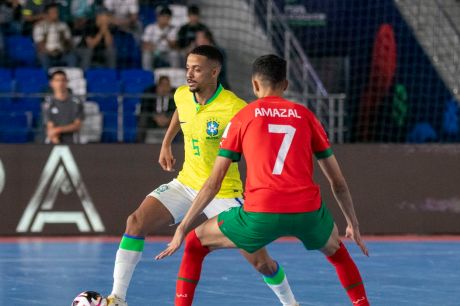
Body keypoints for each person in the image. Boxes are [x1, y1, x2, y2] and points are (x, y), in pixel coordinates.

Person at [156, 54, 371, 306]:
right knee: (338, 253)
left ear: (255, 85)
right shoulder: (305, 116)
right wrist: (352, 223)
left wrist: (183, 227)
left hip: (260, 213)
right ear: (286, 85)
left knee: (194, 244)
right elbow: (338, 182)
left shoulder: (243, 117)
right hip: (307, 213)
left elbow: (214, 183)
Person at [106, 46, 298, 306]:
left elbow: (260, 145)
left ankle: (290, 303)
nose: (189, 74)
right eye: (187, 68)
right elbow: (180, 111)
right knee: (135, 222)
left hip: (223, 192)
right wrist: (166, 142)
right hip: (186, 183)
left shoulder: (234, 108)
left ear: (214, 72)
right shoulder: (183, 95)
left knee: (260, 261)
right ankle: (117, 298)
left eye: (196, 69)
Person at [43, 70, 84, 144]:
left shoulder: (76, 102)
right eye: (57, 80)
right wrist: (57, 141)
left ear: (67, 82)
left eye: (63, 80)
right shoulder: (48, 103)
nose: (60, 83)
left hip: (73, 142)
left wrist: (58, 130)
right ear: (51, 83)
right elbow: (50, 126)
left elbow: (77, 125)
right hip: (54, 141)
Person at [33, 3, 77, 70]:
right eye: (53, 12)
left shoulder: (63, 25)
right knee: (43, 57)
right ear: (47, 14)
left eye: (57, 12)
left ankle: (70, 77)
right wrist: (50, 52)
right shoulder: (40, 26)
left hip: (61, 53)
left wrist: (65, 45)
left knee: (72, 57)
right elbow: (40, 45)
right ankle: (47, 78)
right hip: (47, 53)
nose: (56, 14)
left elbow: (69, 42)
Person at [136, 75, 176, 143]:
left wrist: (168, 118)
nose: (164, 88)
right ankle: (139, 144)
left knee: (182, 121)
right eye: (162, 85)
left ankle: (181, 145)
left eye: (167, 85)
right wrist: (155, 117)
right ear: (157, 87)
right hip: (152, 120)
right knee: (143, 119)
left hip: (169, 120)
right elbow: (145, 109)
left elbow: (177, 110)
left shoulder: (175, 95)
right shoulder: (149, 93)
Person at [141, 5, 179, 70]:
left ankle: (174, 74)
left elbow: (175, 46)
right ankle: (148, 74)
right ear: (158, 17)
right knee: (146, 54)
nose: (165, 19)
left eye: (168, 17)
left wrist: (167, 38)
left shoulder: (173, 29)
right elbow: (144, 45)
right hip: (154, 52)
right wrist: (153, 46)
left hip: (167, 53)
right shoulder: (150, 28)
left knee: (174, 54)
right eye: (163, 16)